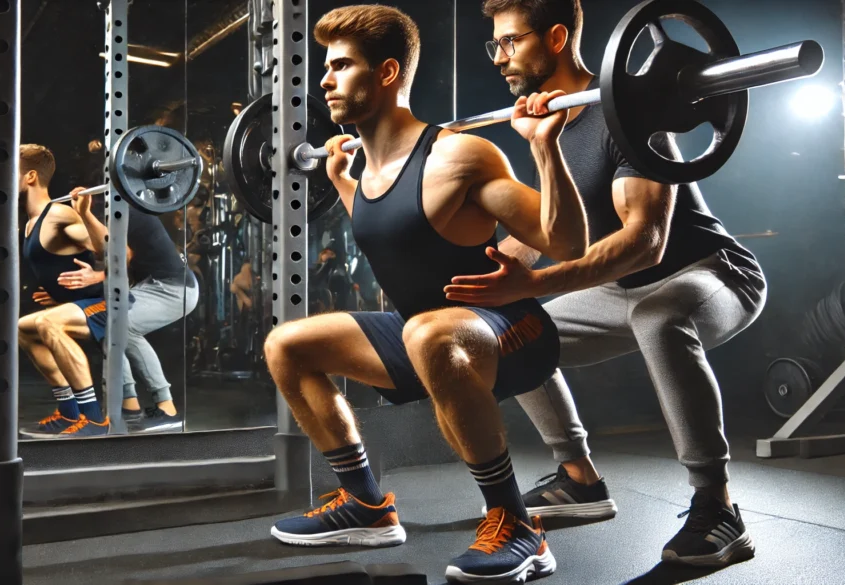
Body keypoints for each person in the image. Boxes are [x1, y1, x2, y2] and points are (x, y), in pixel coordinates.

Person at [264, 5, 589, 583]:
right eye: (326, 66)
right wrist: (343, 185)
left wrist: (544, 146)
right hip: (428, 337)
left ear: (386, 74)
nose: (324, 80)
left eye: (341, 65)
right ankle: (365, 505)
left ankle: (517, 525)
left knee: (427, 330)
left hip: (513, 332)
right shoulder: (365, 169)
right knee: (287, 344)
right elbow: (397, 239)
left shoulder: (458, 156)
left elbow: (567, 242)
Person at [445, 0, 767, 568]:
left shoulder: (631, 115)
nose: (499, 58)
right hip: (623, 291)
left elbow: (646, 241)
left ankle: (718, 507)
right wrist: (471, 285)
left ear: (556, 37)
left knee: (658, 316)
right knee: (506, 333)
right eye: (494, 45)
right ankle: (580, 480)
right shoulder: (551, 125)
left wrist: (535, 281)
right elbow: (549, 230)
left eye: (510, 42)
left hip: (709, 273)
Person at [61, 182, 200, 433]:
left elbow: (119, 254)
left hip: (176, 290)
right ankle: (131, 408)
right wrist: (84, 214)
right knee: (107, 327)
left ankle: (166, 409)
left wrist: (99, 275)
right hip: (154, 285)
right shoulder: (117, 209)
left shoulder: (130, 211)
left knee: (120, 328)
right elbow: (103, 250)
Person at [16, 144, 113, 438]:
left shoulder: (59, 214)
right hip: (81, 306)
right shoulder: (32, 223)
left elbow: (112, 250)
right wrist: (61, 297)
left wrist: (84, 214)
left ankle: (95, 420)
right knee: (23, 328)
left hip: (108, 304)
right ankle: (71, 414)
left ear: (31, 176)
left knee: (47, 322)